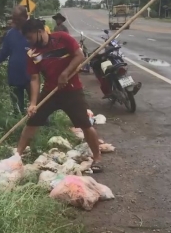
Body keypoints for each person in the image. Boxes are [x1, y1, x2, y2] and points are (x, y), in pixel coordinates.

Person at [17, 19, 105, 172]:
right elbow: (35, 78)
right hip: (50, 92)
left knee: (85, 124)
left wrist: (65, 73)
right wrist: (33, 103)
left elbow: (79, 55)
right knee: (32, 122)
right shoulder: (32, 52)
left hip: (71, 90)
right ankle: (17, 156)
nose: (29, 41)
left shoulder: (62, 38)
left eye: (30, 37)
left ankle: (97, 157)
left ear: (39, 32)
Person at [0, 6, 31, 114]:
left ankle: (43, 126)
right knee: (17, 108)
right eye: (14, 19)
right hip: (14, 76)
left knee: (37, 105)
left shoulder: (33, 32)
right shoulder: (10, 34)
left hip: (31, 76)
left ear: (26, 17)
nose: (15, 22)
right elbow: (3, 54)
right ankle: (19, 126)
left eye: (18, 19)